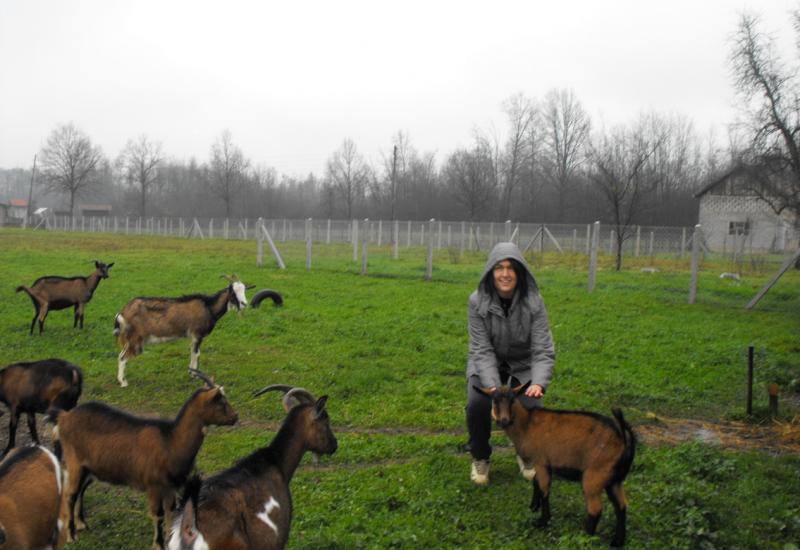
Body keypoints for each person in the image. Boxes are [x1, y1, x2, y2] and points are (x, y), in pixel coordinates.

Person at [466, 241, 555, 485]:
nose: (505, 274)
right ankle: (480, 457)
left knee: (531, 404)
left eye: (511, 268)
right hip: (486, 362)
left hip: (522, 363)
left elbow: (542, 348)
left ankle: (526, 454)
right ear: (490, 272)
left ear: (520, 273)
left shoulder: (535, 302)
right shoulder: (476, 302)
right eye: (499, 268)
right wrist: (494, 388)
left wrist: (538, 382)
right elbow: (481, 349)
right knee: (476, 404)